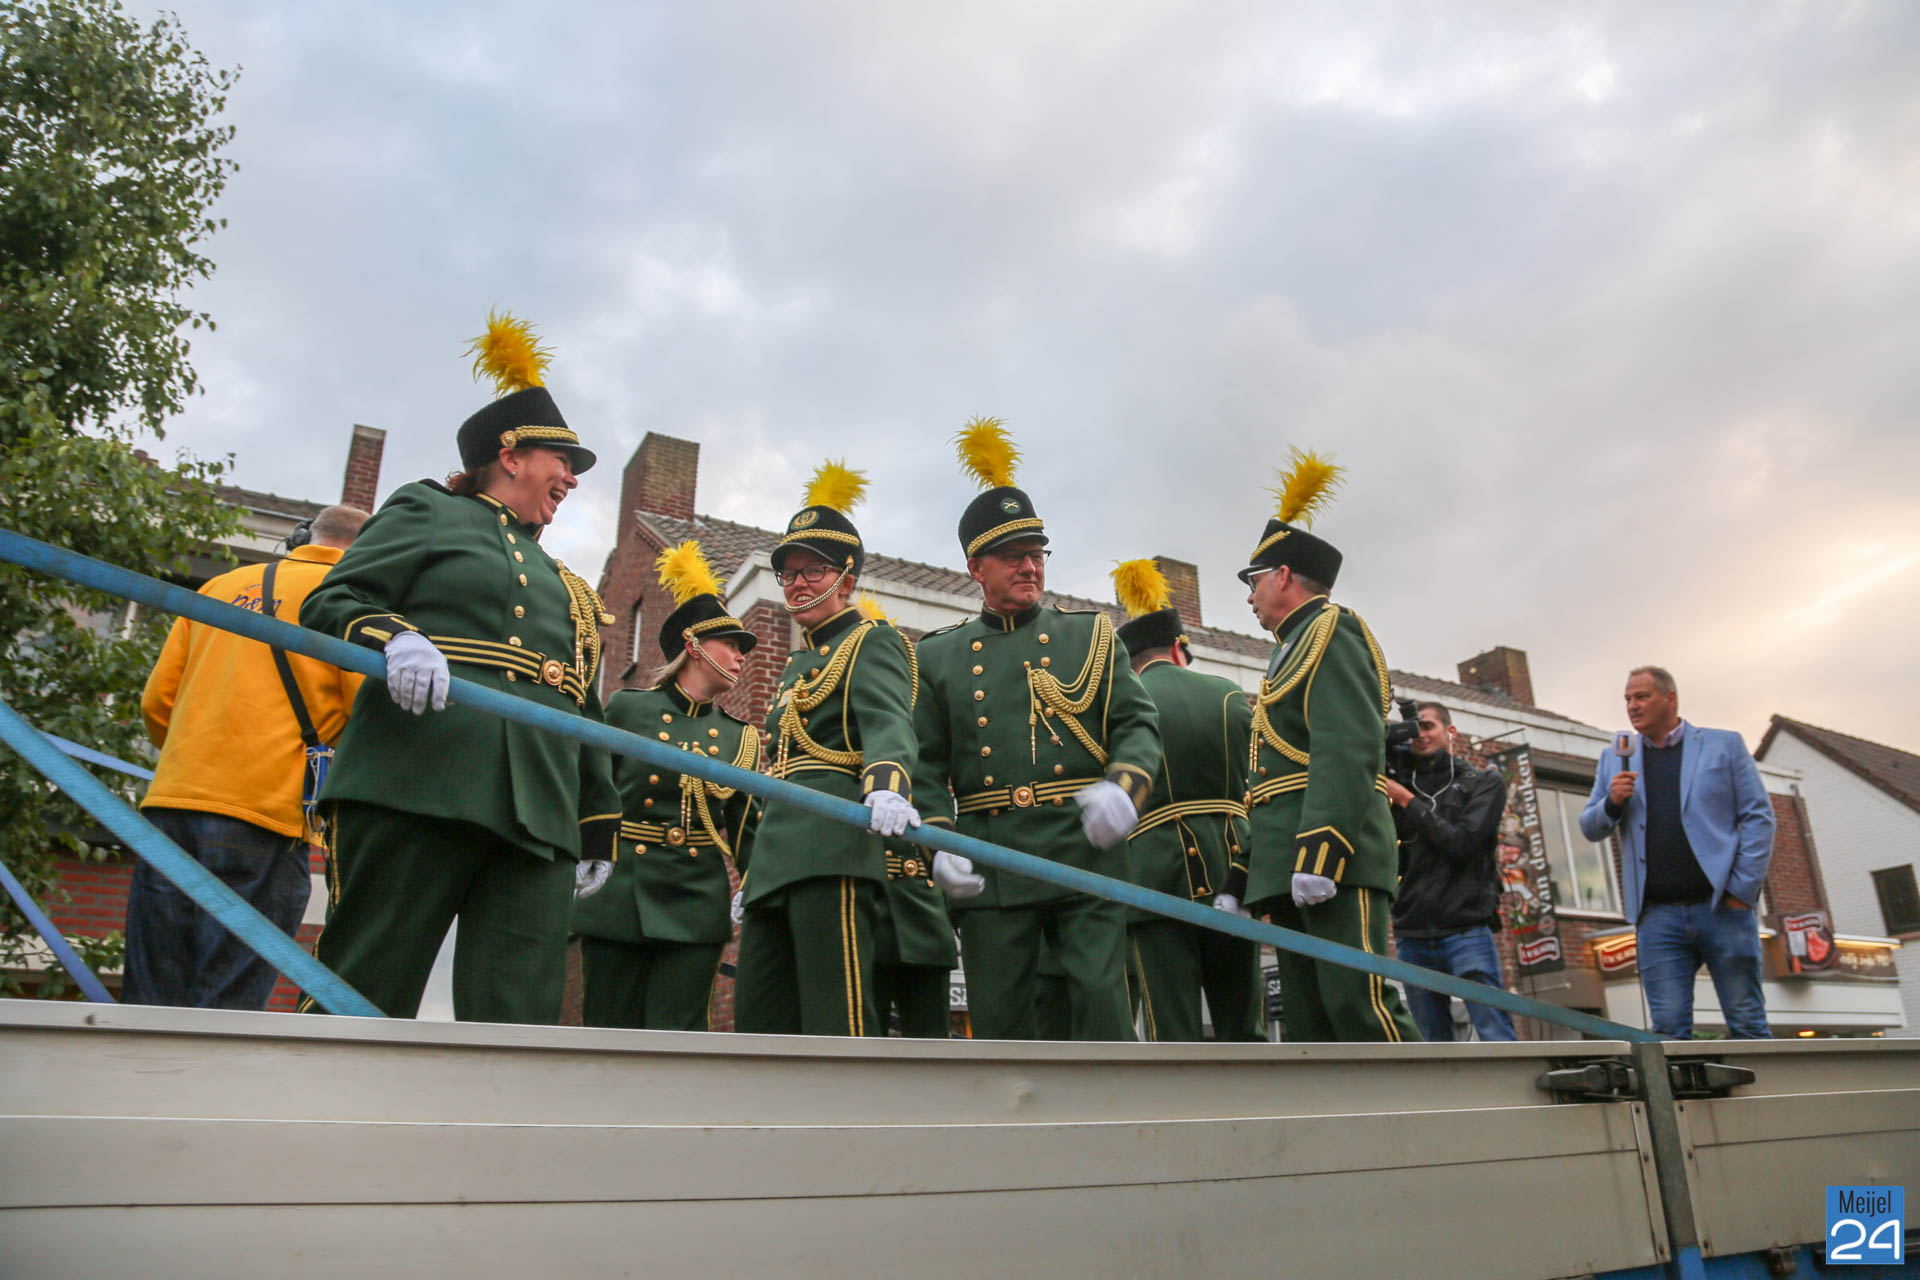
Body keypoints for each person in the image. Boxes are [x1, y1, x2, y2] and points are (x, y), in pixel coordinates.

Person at [296, 313, 620, 1023]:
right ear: (512, 456)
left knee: (520, 1011)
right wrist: (396, 638)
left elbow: (579, 702)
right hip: (418, 778)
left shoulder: (564, 582)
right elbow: (333, 600)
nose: (571, 478)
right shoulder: (429, 510)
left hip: (540, 811)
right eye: (561, 460)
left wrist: (597, 820)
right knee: (366, 981)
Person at [912, 418, 1161, 1041]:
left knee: (1104, 1013)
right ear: (976, 567)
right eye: (1012, 556)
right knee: (1000, 1024)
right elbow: (924, 763)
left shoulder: (1090, 634)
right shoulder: (938, 655)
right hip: (993, 857)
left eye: (1037, 555)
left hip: (1084, 850)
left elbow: (1136, 723)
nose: (1029, 567)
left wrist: (1125, 789)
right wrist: (938, 840)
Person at [733, 461, 959, 1036]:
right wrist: (753, 868)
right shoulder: (796, 664)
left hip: (832, 841)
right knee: (759, 1018)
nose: (799, 584)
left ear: (848, 578)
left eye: (815, 570)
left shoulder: (871, 641)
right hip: (776, 853)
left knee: (835, 1014)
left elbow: (888, 721)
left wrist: (886, 786)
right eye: (789, 574)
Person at [125, 505, 370, 1008]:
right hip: (265, 815)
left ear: (303, 537)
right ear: (368, 553)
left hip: (172, 804)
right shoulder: (349, 604)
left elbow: (157, 703)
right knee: (226, 1006)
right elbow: (366, 716)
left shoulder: (220, 586)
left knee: (150, 1001)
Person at [1226, 448, 1419, 1042]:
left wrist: (1323, 849)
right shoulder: (1287, 649)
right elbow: (1267, 779)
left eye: (1254, 581)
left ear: (1283, 576)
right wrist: (1245, 873)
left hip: (1330, 859)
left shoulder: (1332, 631)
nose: (1249, 596)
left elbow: (1348, 746)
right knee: (1311, 1025)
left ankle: (1430, 1099)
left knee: (1359, 1007)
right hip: (1288, 862)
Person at [570, 541, 759, 1031]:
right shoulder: (627, 708)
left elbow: (746, 828)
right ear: (694, 645)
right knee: (609, 1031)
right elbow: (591, 788)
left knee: (679, 1040)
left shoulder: (739, 738)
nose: (741, 656)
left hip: (696, 897)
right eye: (731, 644)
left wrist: (754, 881)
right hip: (622, 892)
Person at [1111, 559, 1263, 1042]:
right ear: (1179, 648)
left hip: (1153, 877)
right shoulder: (1228, 694)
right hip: (1233, 868)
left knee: (1170, 1029)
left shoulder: (1119, 706)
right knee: (1244, 1024)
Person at [1579, 666, 1775, 1039]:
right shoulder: (1614, 758)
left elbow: (1759, 818)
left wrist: (1741, 891)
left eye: (1641, 696)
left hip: (1722, 908)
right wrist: (1612, 802)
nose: (1632, 706)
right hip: (1657, 917)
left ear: (1670, 698)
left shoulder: (1724, 745)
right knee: (1668, 1030)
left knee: (1747, 1022)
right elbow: (1590, 826)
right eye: (1627, 699)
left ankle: (1758, 1082)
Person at [1383, 702, 1515, 1042]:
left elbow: (1462, 842)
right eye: (1414, 729)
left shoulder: (1482, 782)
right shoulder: (1397, 780)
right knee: (1432, 1042)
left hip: (1465, 928)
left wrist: (1407, 801)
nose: (1419, 735)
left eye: (1427, 726)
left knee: (1494, 1031)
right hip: (1412, 930)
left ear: (1451, 732)